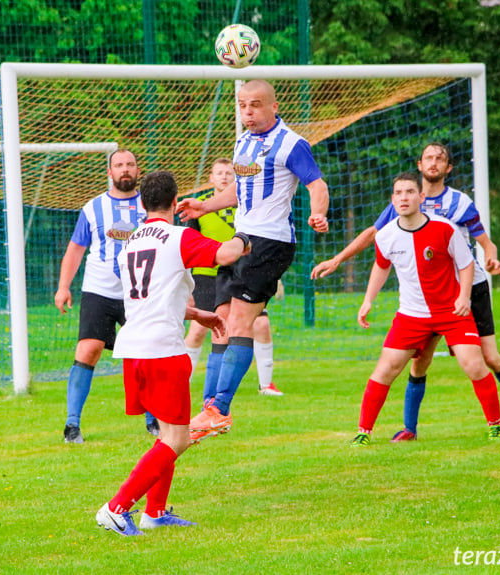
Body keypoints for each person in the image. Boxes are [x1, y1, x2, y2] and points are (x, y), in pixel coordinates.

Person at [311, 142, 500, 439]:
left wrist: (491, 260)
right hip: (424, 297)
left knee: (489, 359)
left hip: (468, 288)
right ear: (419, 165)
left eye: (440, 158)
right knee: (419, 361)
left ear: (448, 168)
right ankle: (408, 429)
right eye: (428, 157)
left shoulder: (459, 203)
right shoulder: (404, 201)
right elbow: (374, 238)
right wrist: (339, 258)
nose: (434, 162)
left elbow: (485, 242)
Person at [95, 170, 249, 536]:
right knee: (178, 439)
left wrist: (198, 314)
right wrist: (248, 231)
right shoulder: (179, 237)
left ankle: (155, 512)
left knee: (167, 433)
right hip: (162, 349)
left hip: (135, 348)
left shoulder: (131, 243)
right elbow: (227, 253)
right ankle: (116, 508)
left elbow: (154, 296)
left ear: (143, 203)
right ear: (175, 200)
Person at [177, 80, 329, 441]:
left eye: (255, 105)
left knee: (242, 322)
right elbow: (240, 189)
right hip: (240, 240)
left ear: (274, 106)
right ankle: (207, 408)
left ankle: (220, 410)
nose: (248, 112)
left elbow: (316, 185)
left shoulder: (292, 144)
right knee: (222, 321)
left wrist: (318, 213)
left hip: (270, 242)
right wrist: (205, 204)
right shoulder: (243, 142)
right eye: (243, 105)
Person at [343, 172, 500, 446]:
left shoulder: (444, 228)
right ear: (392, 199)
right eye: (398, 193)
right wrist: (367, 301)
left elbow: (466, 264)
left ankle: (496, 426)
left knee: (473, 364)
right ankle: (363, 432)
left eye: (409, 192)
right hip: (411, 316)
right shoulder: (386, 235)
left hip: (451, 313)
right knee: (386, 369)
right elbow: (381, 267)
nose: (403, 197)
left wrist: (464, 297)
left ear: (421, 197)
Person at [54, 149, 156, 444]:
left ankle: (154, 421)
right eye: (119, 165)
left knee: (145, 352)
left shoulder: (151, 206)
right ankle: (72, 425)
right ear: (109, 172)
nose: (125, 170)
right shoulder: (93, 208)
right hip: (98, 289)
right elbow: (76, 249)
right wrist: (63, 286)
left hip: (138, 292)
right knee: (88, 349)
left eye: (130, 165)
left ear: (138, 170)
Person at [184, 158, 282, 417]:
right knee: (199, 331)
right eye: (220, 173)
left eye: (230, 173)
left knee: (259, 325)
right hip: (206, 275)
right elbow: (185, 246)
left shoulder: (247, 205)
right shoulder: (199, 209)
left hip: (243, 270)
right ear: (211, 177)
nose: (225, 177)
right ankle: (192, 388)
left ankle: (264, 384)